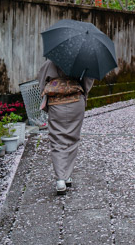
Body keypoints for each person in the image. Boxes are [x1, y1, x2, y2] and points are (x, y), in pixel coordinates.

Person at [38, 59, 94, 195]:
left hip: (56, 104)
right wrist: (84, 94)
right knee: (72, 138)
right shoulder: (82, 61)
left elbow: (41, 83)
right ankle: (66, 175)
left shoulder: (50, 63)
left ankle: (60, 180)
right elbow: (88, 81)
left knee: (57, 139)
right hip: (76, 102)